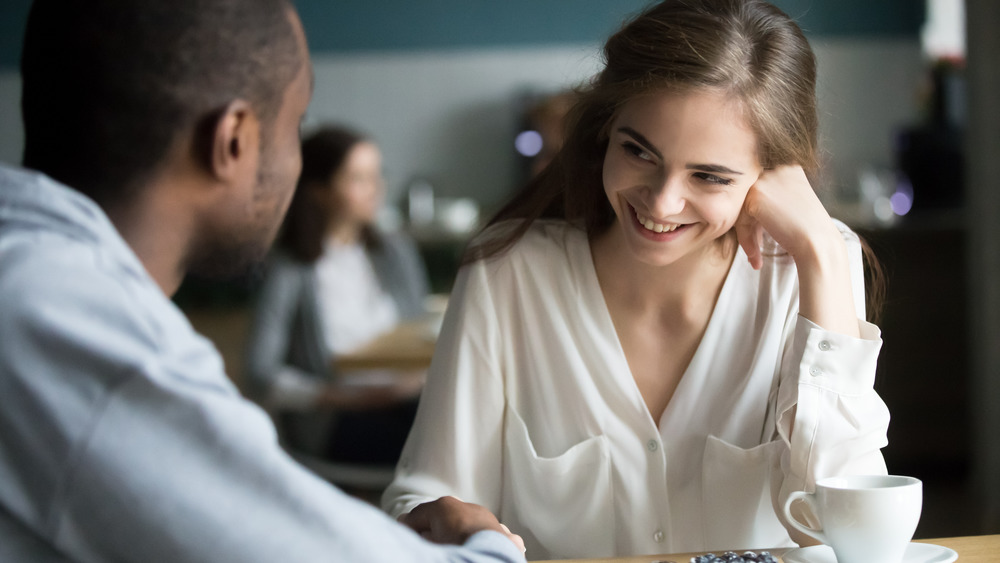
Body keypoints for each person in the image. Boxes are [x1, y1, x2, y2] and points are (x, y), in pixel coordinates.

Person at [0, 0, 524, 561]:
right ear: (233, 140)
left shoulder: (30, 273)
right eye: (295, 125)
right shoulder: (77, 329)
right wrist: (492, 545)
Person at [382, 0, 890, 559]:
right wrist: (454, 523)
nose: (662, 202)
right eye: (638, 151)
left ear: (770, 176)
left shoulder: (809, 269)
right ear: (605, 130)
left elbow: (850, 533)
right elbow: (428, 500)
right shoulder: (507, 274)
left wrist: (819, 251)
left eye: (710, 176)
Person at [246, 125, 429, 465]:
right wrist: (347, 398)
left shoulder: (394, 252)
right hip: (334, 418)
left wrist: (411, 383)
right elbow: (260, 372)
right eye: (358, 179)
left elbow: (419, 337)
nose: (375, 190)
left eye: (377, 176)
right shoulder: (290, 267)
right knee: (441, 447)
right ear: (319, 191)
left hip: (406, 401)